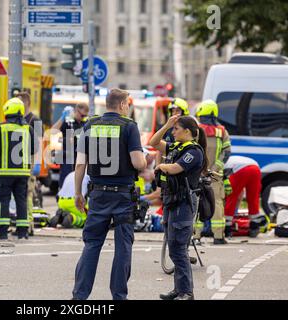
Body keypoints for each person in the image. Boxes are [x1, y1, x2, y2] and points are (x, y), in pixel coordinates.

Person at [72, 89, 146, 300]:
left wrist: (78, 194)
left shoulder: (90, 125)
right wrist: (146, 160)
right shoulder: (129, 127)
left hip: (97, 195)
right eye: (128, 104)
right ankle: (119, 297)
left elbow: (79, 165)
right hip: (123, 196)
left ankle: (79, 297)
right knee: (123, 247)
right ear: (122, 105)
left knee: (92, 244)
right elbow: (138, 163)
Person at [150, 115, 208, 301]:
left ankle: (187, 293)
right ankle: (178, 289)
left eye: (176, 129)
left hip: (183, 203)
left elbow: (176, 168)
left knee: (179, 248)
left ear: (187, 132)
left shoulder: (194, 151)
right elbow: (153, 142)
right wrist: (167, 124)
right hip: (171, 201)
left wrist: (161, 166)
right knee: (173, 247)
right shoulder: (176, 147)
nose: (173, 132)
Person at [0, 98, 37, 240]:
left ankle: (2, 232)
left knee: (4, 201)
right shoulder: (27, 128)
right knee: (21, 200)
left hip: (5, 172)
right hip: (23, 172)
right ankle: (22, 232)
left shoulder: (2, 128)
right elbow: (33, 149)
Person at [195, 100, 231, 245]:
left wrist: (201, 169)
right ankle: (218, 237)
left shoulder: (196, 130)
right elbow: (227, 152)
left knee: (196, 203)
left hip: (197, 173)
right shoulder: (222, 131)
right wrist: (215, 168)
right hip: (215, 176)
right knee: (216, 203)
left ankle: (195, 236)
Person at [17, 92, 42, 234]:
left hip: (31, 160)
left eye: (20, 102)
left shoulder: (35, 120)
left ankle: (29, 225)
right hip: (18, 161)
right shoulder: (17, 119)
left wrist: (37, 164)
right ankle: (22, 223)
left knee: (28, 193)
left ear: (26, 103)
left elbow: (38, 144)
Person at [224, 156, 267, 238]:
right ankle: (254, 226)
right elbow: (240, 192)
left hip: (241, 170)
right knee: (253, 198)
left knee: (231, 197)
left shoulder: (222, 164)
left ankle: (227, 228)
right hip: (256, 168)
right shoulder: (232, 159)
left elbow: (231, 192)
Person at [52, 102, 89, 189]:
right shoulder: (68, 122)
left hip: (80, 159)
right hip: (67, 159)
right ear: (76, 111)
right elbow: (53, 130)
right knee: (65, 183)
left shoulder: (84, 123)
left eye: (85, 116)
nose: (83, 118)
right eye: (82, 115)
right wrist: (62, 118)